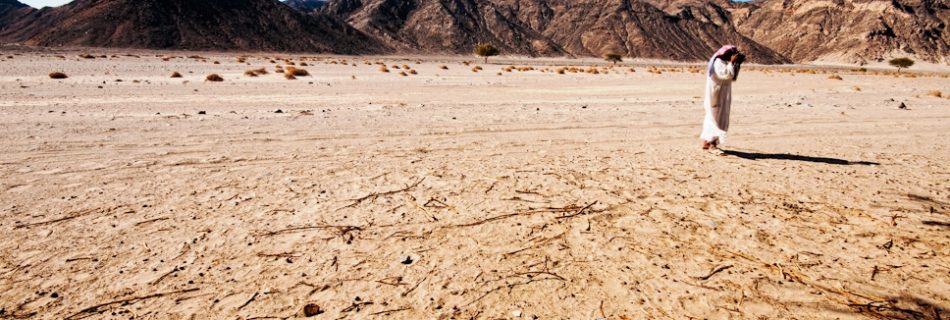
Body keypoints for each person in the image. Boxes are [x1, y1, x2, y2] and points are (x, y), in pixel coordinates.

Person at [701, 45, 744, 150]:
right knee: (715, 116)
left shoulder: (724, 63)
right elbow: (726, 74)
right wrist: (731, 63)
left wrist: (736, 63)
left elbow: (733, 77)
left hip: (722, 94)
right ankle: (711, 143)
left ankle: (709, 142)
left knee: (717, 116)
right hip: (716, 94)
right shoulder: (718, 63)